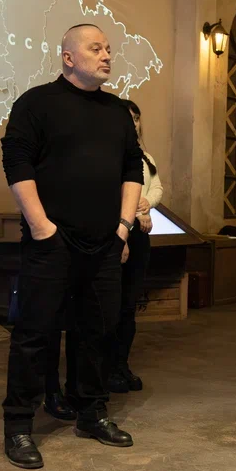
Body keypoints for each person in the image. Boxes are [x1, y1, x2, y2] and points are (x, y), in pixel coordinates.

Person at [0, 23, 143, 470]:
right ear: (68, 58)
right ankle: (19, 426)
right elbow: (16, 162)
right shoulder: (36, 103)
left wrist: (122, 229)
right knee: (35, 334)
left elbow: (132, 170)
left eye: (108, 49)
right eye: (96, 48)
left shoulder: (117, 111)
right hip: (52, 243)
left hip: (105, 243)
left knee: (97, 331)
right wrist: (41, 226)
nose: (107, 55)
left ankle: (91, 413)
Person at [62, 101, 161, 395]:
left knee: (129, 306)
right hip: (116, 233)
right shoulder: (107, 155)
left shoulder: (145, 157)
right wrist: (128, 229)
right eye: (128, 118)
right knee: (107, 308)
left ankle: (120, 365)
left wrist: (146, 205)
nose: (133, 123)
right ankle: (101, 372)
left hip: (139, 233)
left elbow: (156, 188)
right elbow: (111, 195)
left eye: (137, 118)